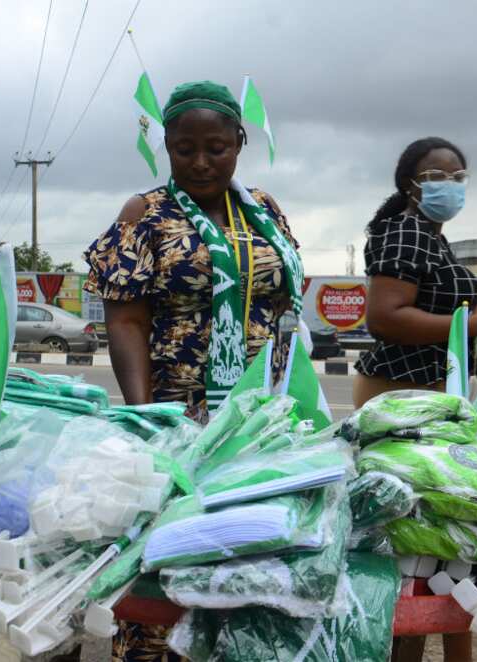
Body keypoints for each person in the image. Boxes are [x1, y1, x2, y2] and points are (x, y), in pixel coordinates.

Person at [84, 80, 302, 660]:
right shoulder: (145, 213)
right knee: (173, 550)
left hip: (262, 419)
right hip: (182, 412)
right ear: (166, 146)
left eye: (216, 147)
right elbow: (125, 320)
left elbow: (284, 302)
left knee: (253, 553)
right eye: (184, 149)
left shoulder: (265, 210)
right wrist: (145, 416)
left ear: (240, 141)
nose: (201, 162)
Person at [354, 138, 477, 662]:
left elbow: (442, 332)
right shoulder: (406, 232)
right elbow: (385, 316)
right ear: (410, 185)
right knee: (414, 540)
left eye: (459, 176)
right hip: (401, 400)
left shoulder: (431, 237)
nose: (450, 186)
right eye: (438, 176)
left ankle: (418, 651)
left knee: (435, 540)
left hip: (431, 399)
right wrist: (473, 321)